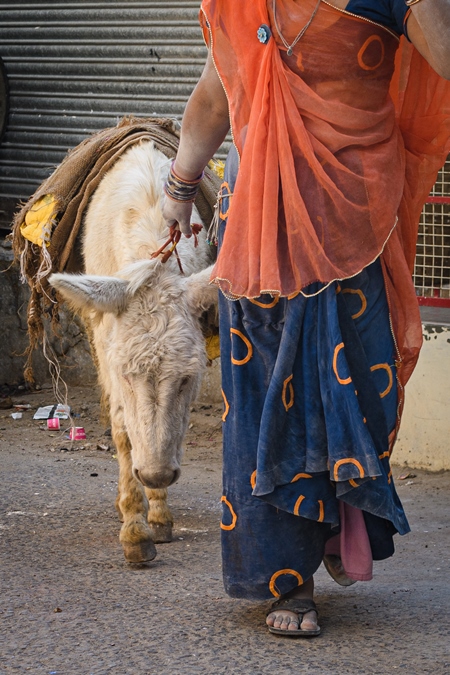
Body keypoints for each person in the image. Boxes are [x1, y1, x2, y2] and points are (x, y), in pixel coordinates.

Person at [161, 0, 450, 637]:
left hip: (356, 221)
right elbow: (216, 94)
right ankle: (288, 585)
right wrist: (182, 185)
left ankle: (336, 522)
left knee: (364, 388)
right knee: (270, 396)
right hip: (262, 224)